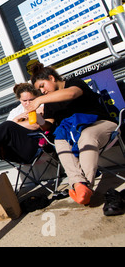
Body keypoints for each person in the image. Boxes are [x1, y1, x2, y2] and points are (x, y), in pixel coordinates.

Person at [25, 62, 117, 205]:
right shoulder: (49, 102)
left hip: (99, 124)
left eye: (42, 86)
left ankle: (85, 187)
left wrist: (39, 100)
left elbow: (72, 93)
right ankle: (79, 184)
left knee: (87, 136)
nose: (42, 91)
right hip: (72, 135)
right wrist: (40, 120)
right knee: (59, 140)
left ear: (52, 78)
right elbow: (48, 125)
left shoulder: (73, 83)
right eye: (39, 90)